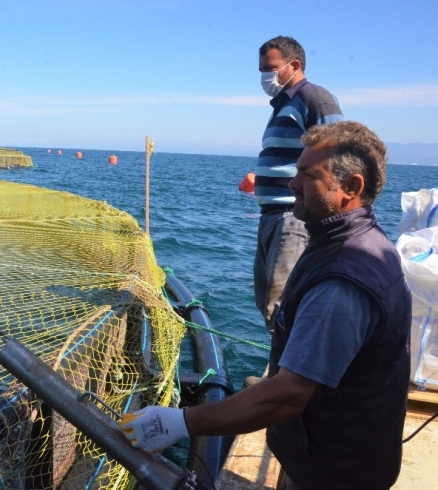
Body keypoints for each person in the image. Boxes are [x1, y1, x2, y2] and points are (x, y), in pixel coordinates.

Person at [120, 121, 411, 490]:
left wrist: (179, 423)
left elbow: (288, 396)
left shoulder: (344, 278)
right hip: (333, 456)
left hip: (333, 474)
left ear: (351, 187)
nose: (292, 184)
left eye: (308, 174)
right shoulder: (355, 242)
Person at [249, 36, 344, 386]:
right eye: (261, 71)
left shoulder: (312, 98)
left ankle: (288, 387)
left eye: (270, 69)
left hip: (293, 218)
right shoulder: (281, 105)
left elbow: (336, 153)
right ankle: (279, 377)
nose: (265, 78)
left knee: (283, 305)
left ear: (295, 66)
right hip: (271, 217)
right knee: (268, 301)